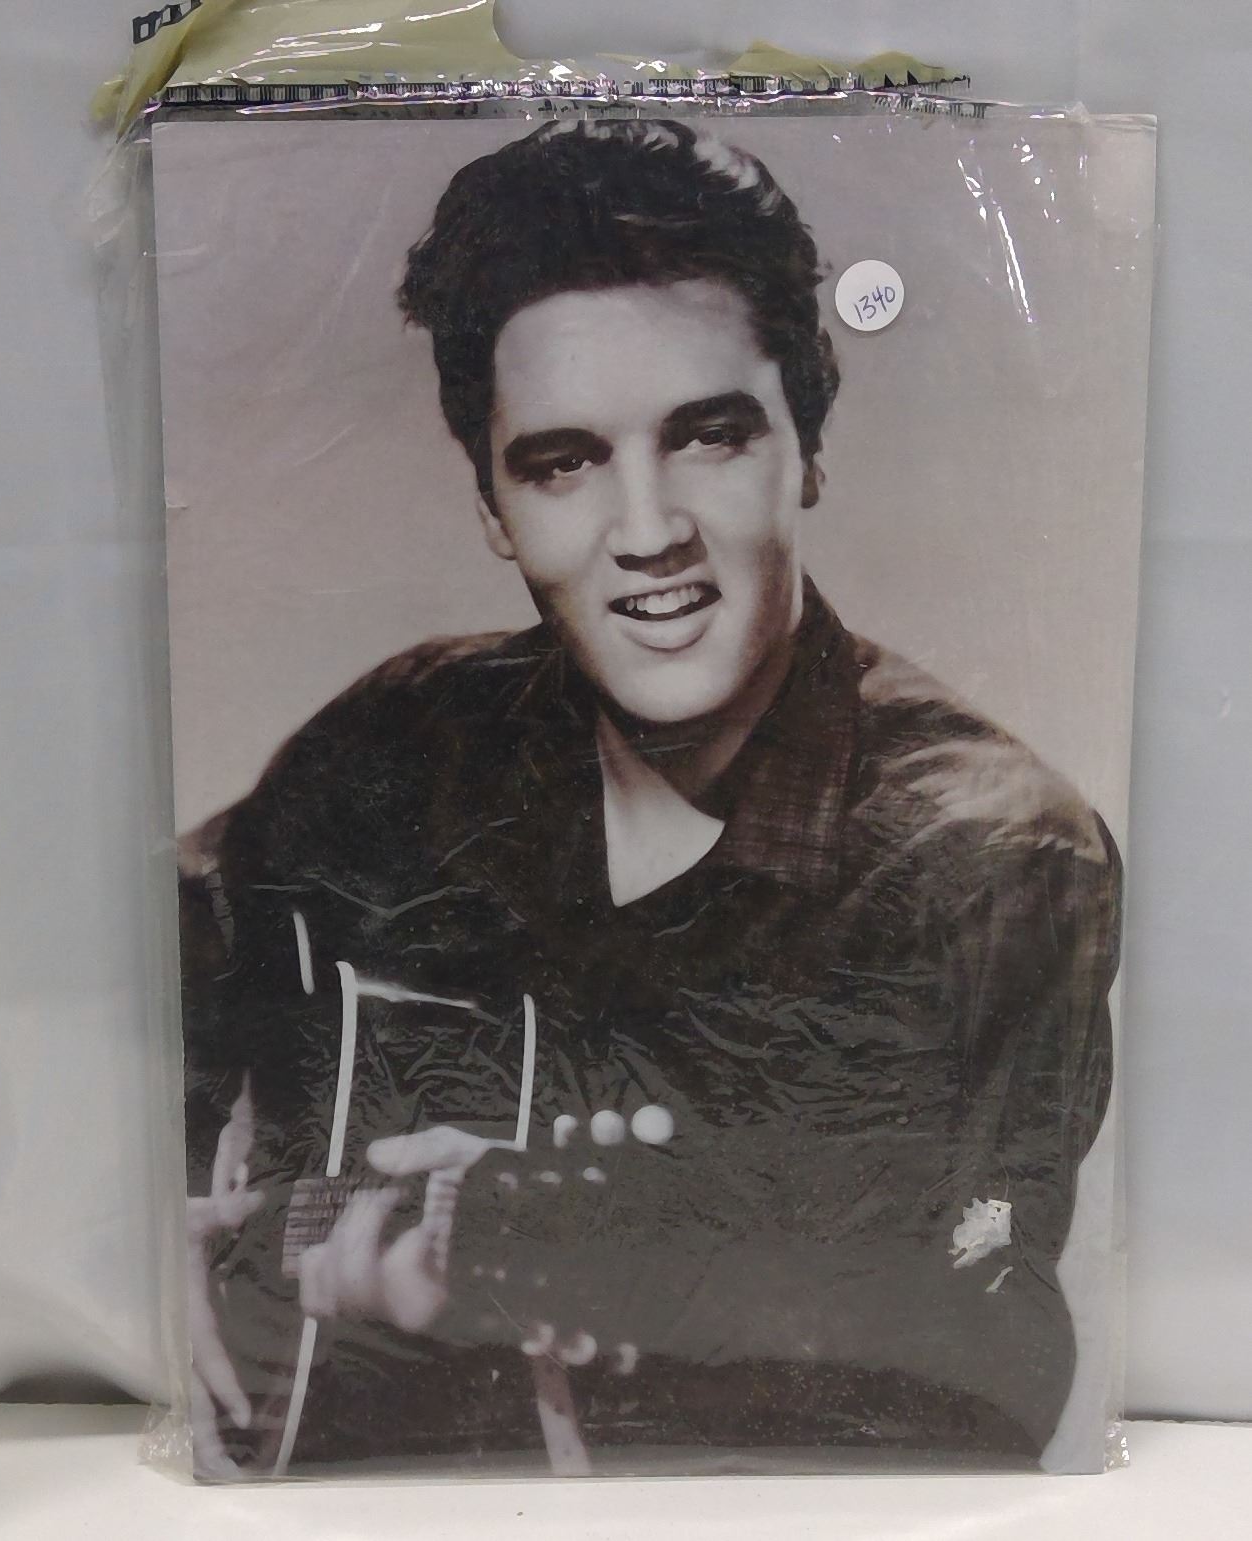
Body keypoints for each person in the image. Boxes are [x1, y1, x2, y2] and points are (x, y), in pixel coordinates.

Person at [179, 118, 1120, 1478]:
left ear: (807, 448)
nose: (648, 531)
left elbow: (984, 1353)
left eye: (709, 437)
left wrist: (616, 1263)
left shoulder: (988, 858)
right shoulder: (405, 740)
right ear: (494, 507)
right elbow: (149, 958)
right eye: (563, 462)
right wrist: (158, 1233)